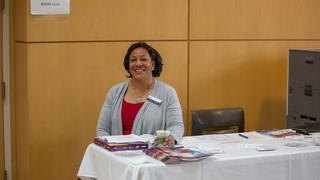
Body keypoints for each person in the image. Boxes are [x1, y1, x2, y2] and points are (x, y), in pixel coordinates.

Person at [96, 42, 184, 147]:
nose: (138, 63)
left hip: (152, 157)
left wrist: (172, 138)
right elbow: (103, 129)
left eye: (143, 59)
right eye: (133, 60)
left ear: (153, 64)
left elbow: (176, 125)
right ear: (128, 66)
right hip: (117, 156)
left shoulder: (168, 93)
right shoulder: (114, 92)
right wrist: (110, 148)